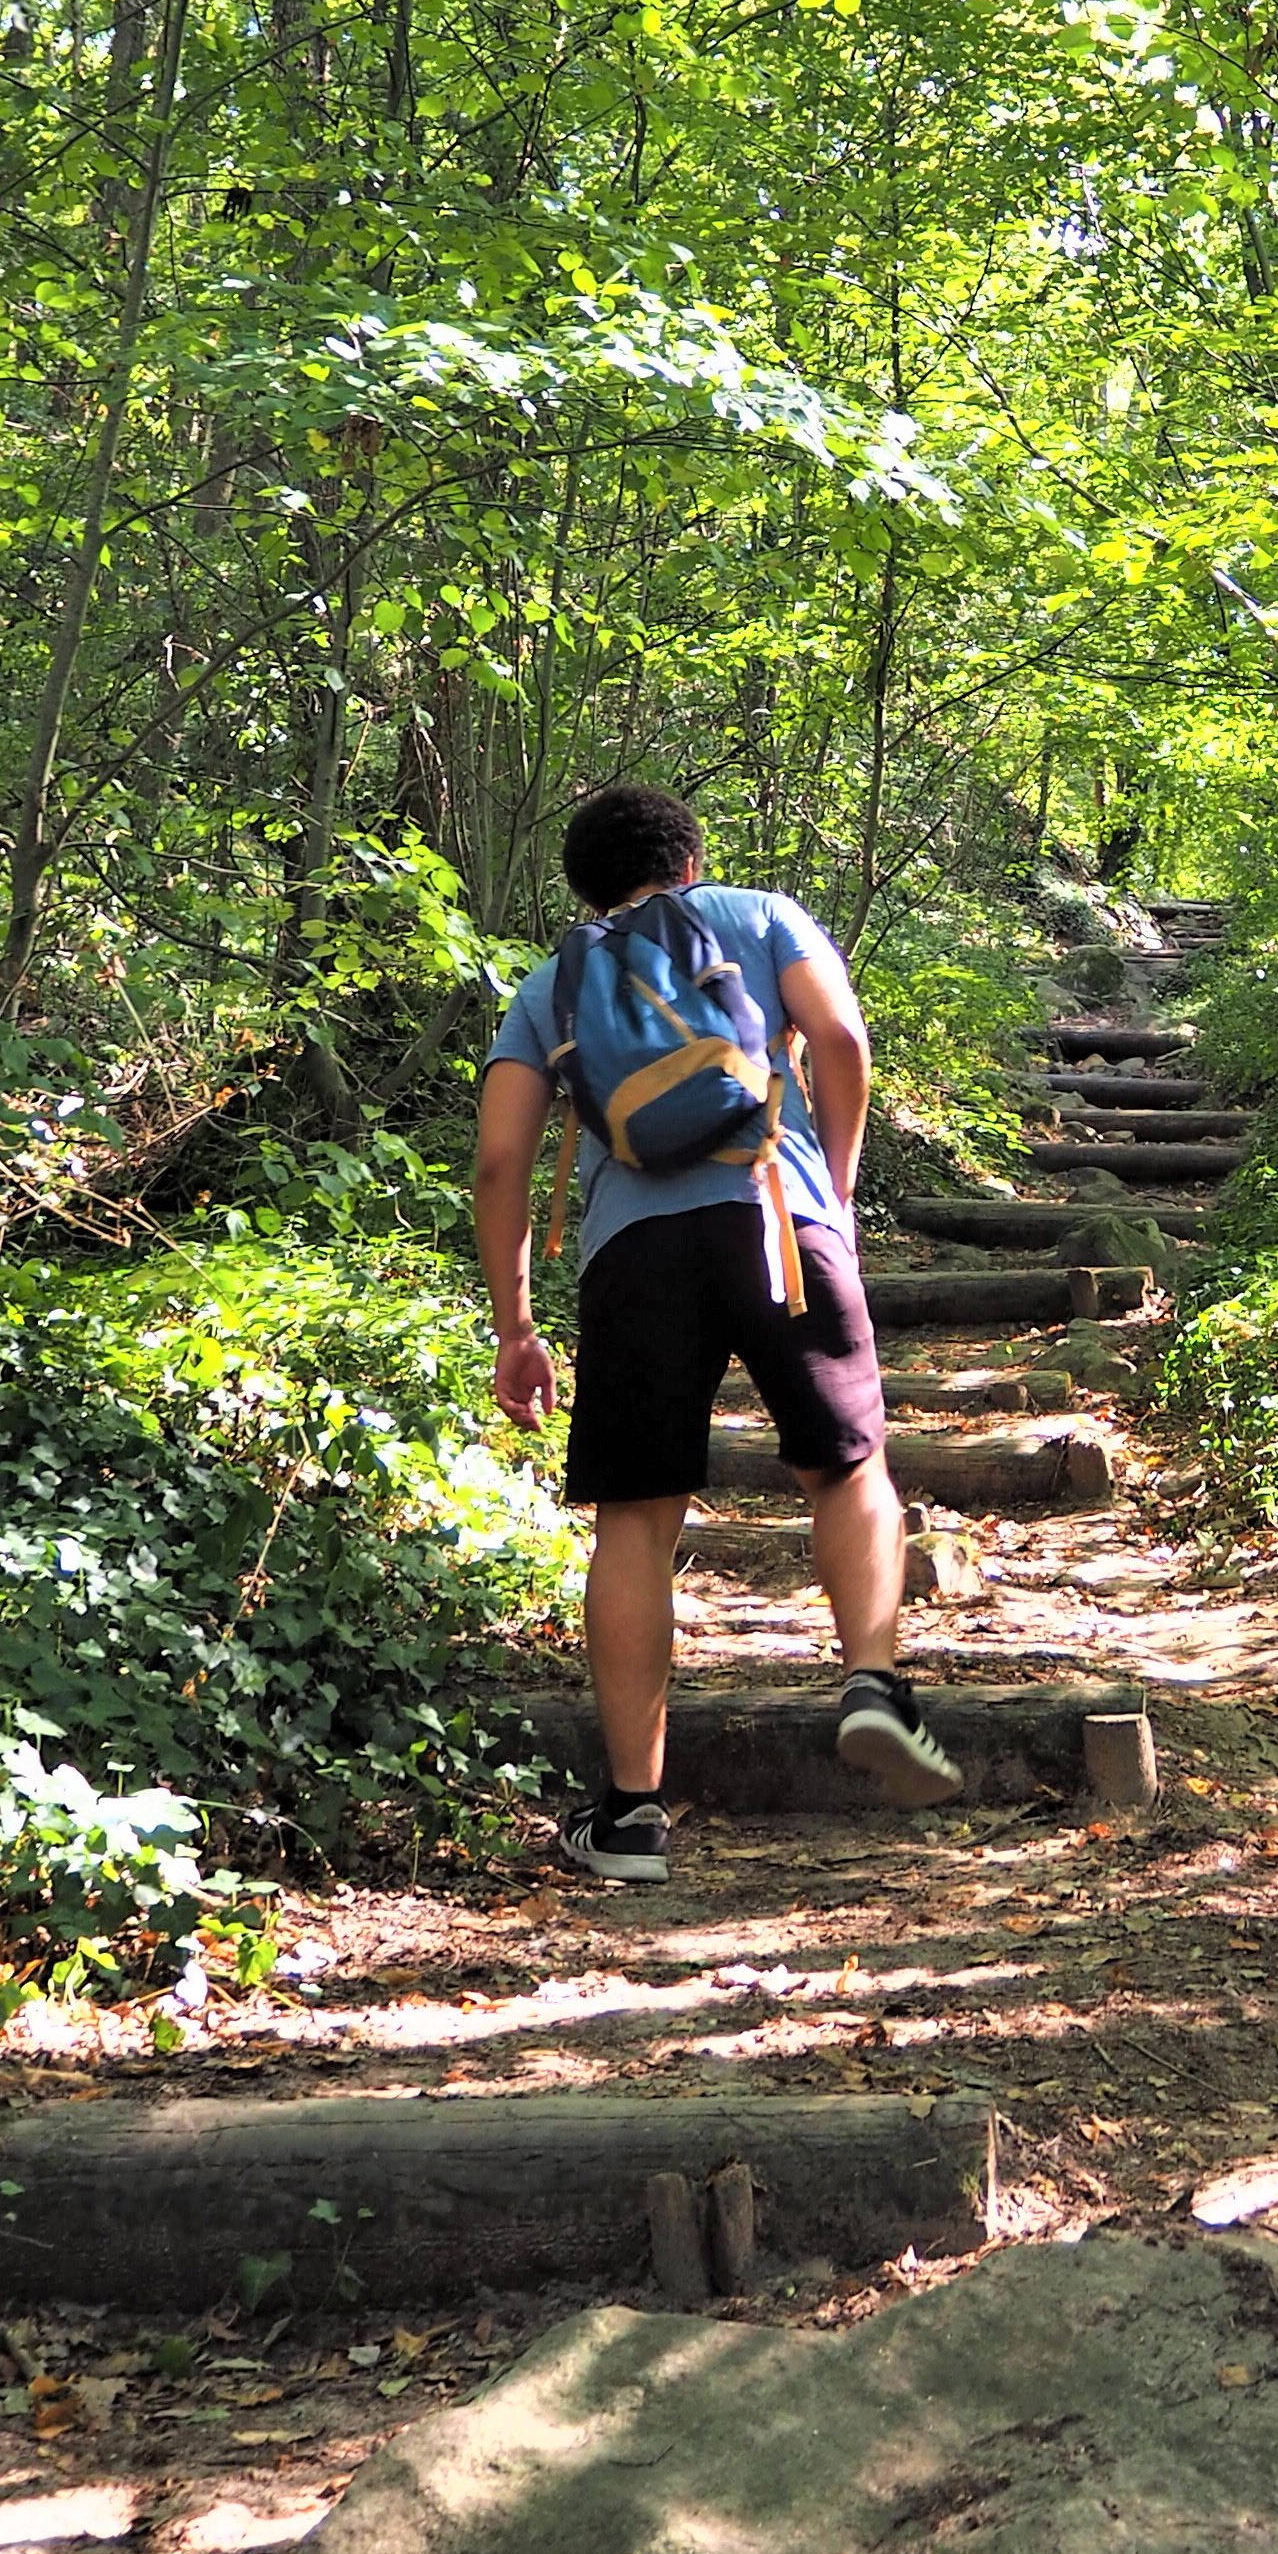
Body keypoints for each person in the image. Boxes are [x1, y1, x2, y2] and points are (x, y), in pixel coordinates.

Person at [475, 779, 960, 1880]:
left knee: (635, 1523)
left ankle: (634, 1815)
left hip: (631, 1256)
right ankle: (873, 1683)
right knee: (848, 1466)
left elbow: (502, 1159)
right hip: (777, 1221)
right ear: (690, 863)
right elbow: (838, 1039)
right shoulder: (762, 916)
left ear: (585, 887)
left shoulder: (553, 984)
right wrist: (830, 1193)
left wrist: (517, 1325)